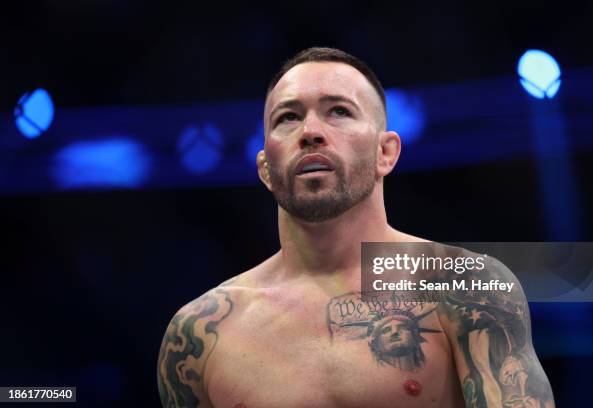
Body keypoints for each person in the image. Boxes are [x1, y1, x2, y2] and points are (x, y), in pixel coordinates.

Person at [157, 47, 555, 408]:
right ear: (265, 168)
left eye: (339, 112)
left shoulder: (464, 286)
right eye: (288, 117)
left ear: (386, 152)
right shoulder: (202, 332)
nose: (310, 132)